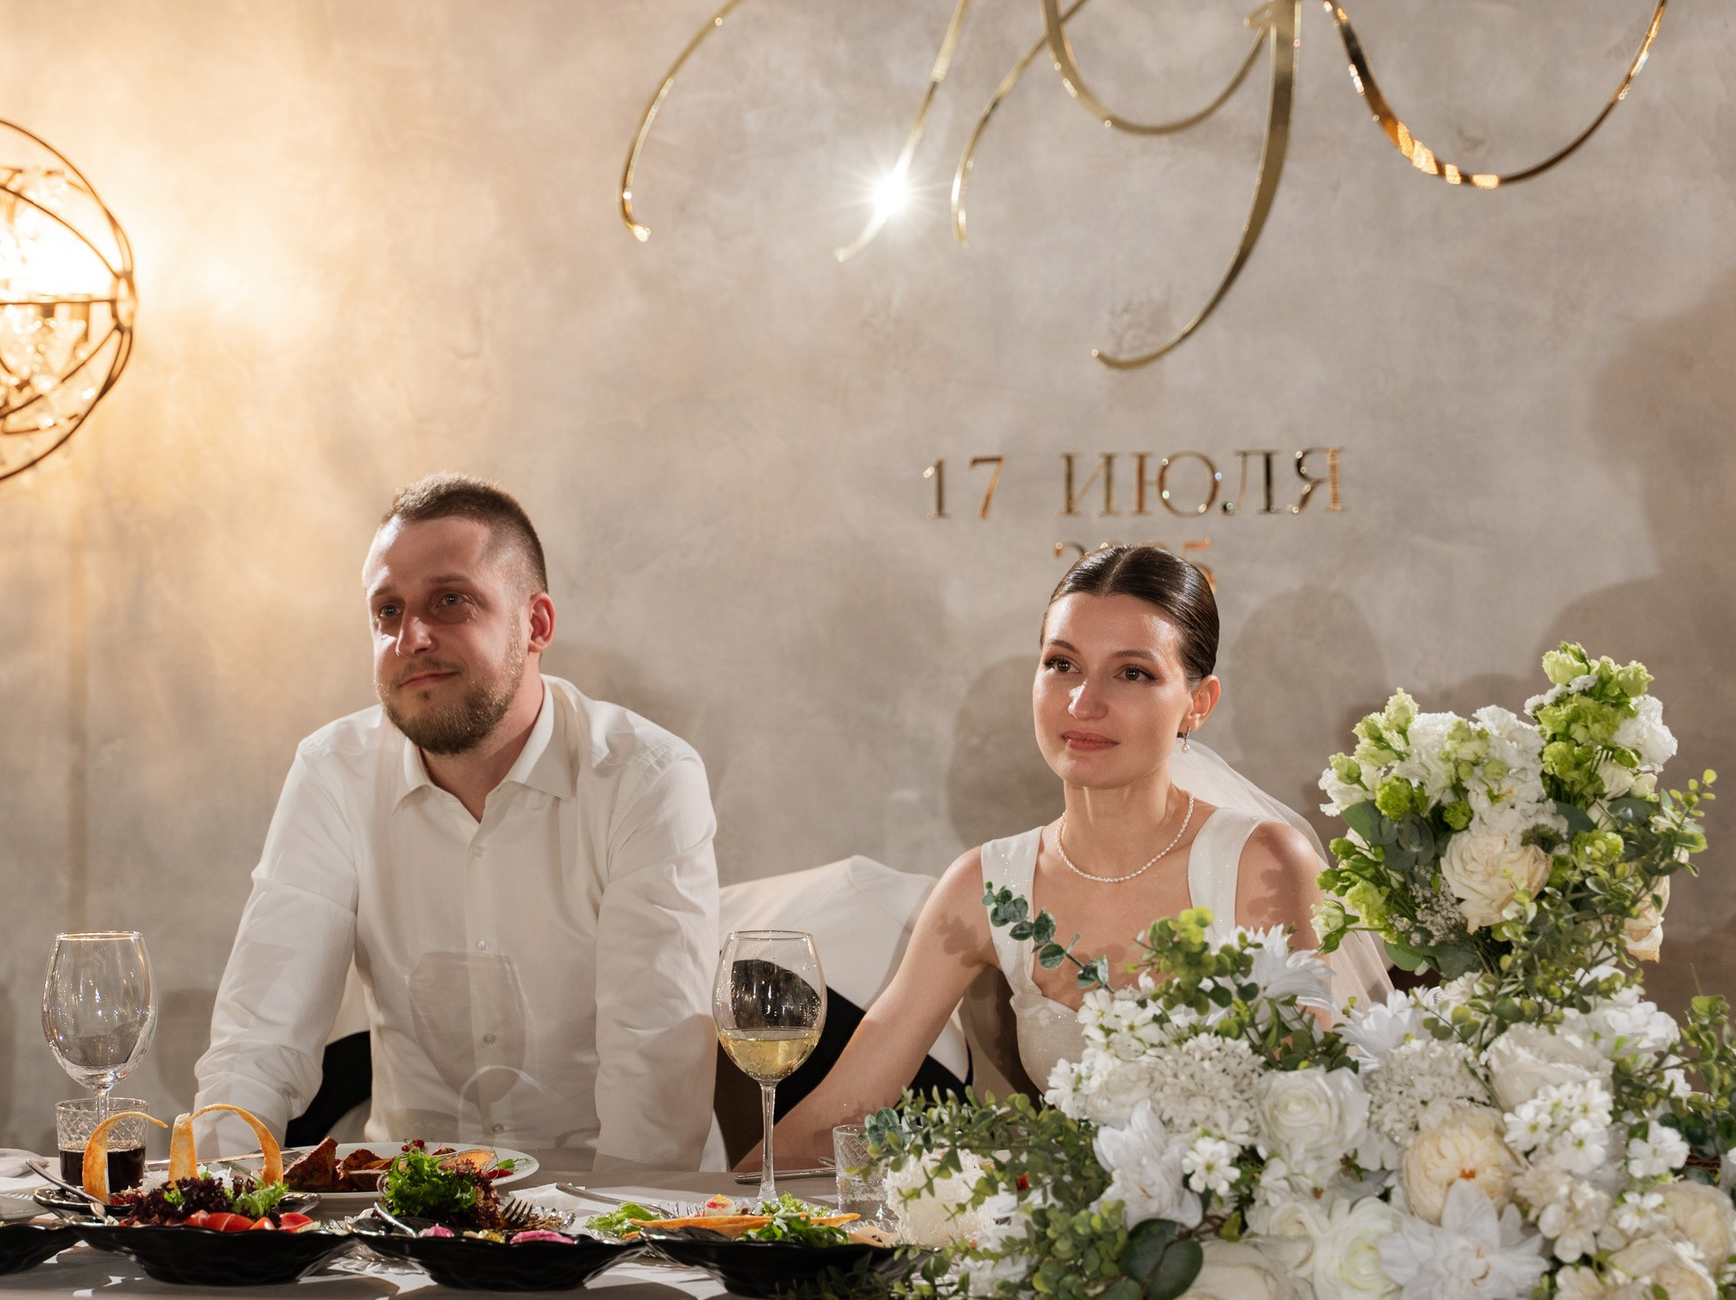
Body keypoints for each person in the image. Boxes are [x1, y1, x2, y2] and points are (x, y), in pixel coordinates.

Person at [765, 545, 1384, 1169]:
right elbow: (840, 1113)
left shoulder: (1263, 864)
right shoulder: (986, 885)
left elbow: (1320, 1119)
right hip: (1062, 1245)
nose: (1083, 703)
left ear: (1199, 702)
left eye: (1133, 672)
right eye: (1062, 664)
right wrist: (708, 1219)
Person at [193, 475, 721, 1170]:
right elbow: (258, 1040)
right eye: (387, 611)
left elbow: (653, 1093)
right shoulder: (333, 773)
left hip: (609, 1220)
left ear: (536, 625)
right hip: (410, 1223)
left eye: (450, 600)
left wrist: (593, 1248)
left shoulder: (647, 779)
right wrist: (210, 1211)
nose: (412, 636)